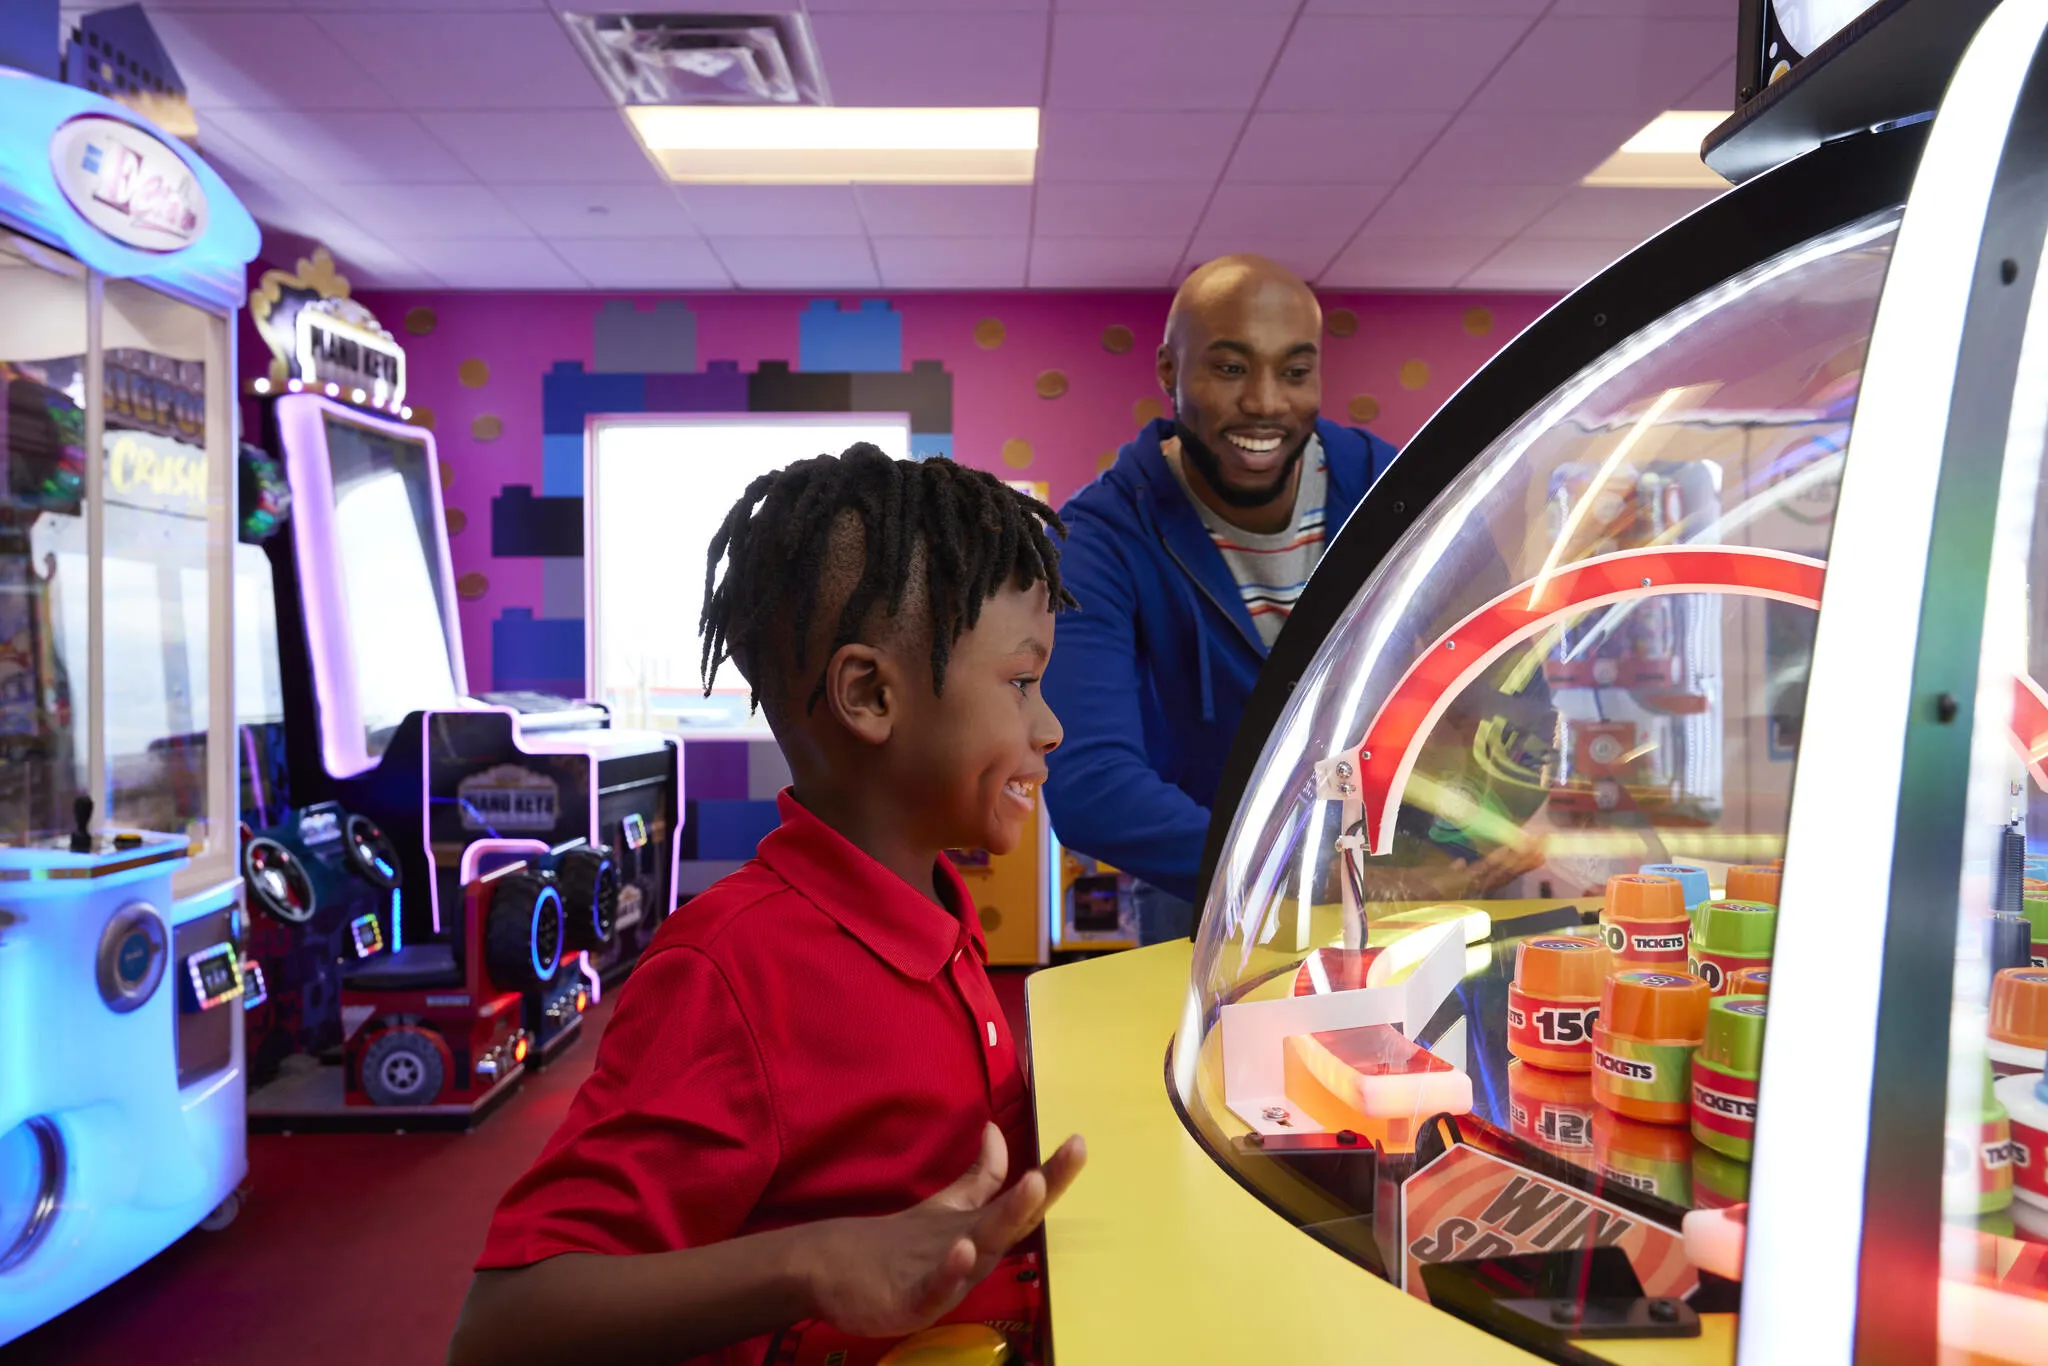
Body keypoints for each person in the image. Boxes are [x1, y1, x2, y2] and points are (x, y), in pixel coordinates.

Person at [447, 447, 1087, 1366]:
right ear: (871, 694)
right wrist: (813, 1262)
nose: (1048, 725)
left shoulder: (932, 904)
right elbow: (501, 1328)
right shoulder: (731, 972)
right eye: (1022, 684)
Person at [1041, 255, 1397, 944]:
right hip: (1206, 894)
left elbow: (1495, 671)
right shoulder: (1101, 538)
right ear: (1169, 372)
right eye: (1231, 368)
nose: (1266, 402)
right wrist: (1296, 872)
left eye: (1295, 372)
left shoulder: (1391, 489)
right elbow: (1089, 784)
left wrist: (1489, 816)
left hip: (1395, 876)